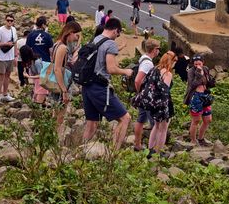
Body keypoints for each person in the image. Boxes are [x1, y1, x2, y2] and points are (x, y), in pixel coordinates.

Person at [82, 17, 134, 150]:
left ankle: (82, 151)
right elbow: (111, 69)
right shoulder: (110, 43)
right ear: (116, 30)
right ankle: (113, 153)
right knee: (125, 118)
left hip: (87, 85)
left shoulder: (96, 39)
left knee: (92, 122)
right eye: (118, 33)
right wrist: (126, 72)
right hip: (99, 87)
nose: (117, 36)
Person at [48, 19, 82, 139]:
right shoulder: (63, 48)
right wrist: (64, 91)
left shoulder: (57, 44)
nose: (77, 38)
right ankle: (55, 138)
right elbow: (58, 69)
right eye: (76, 35)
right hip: (60, 84)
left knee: (55, 112)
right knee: (60, 115)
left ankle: (51, 136)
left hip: (55, 83)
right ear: (70, 33)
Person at [144, 51, 177, 155]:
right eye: (175, 60)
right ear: (171, 61)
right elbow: (165, 92)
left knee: (156, 126)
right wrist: (166, 109)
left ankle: (150, 150)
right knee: (163, 129)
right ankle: (159, 152)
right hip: (163, 103)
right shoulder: (167, 73)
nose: (175, 63)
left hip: (153, 102)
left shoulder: (154, 69)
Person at [133, 38, 161, 152]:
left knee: (141, 119)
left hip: (144, 95)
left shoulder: (144, 59)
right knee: (154, 122)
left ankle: (138, 144)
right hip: (146, 96)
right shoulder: (148, 63)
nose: (159, 51)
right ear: (154, 50)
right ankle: (153, 148)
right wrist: (141, 93)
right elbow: (137, 80)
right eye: (158, 49)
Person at [185, 55, 214, 146]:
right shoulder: (191, 71)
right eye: (195, 63)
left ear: (203, 62)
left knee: (208, 119)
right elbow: (192, 84)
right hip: (195, 96)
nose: (197, 65)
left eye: (199, 63)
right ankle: (193, 141)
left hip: (205, 95)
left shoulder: (205, 69)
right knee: (196, 120)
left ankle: (201, 138)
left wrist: (210, 81)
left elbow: (207, 81)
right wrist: (198, 73)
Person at [0, 14, 18, 102]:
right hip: (2, 56)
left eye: (11, 20)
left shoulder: (13, 30)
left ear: (13, 21)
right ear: (5, 20)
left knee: (8, 75)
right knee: (1, 75)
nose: (9, 22)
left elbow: (15, 43)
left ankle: (5, 93)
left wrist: (15, 55)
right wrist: (5, 44)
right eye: (8, 20)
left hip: (10, 56)